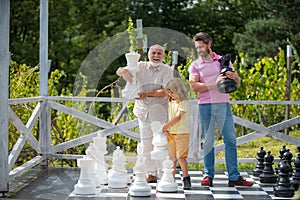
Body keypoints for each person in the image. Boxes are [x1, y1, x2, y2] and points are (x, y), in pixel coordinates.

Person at [188, 32, 253, 187]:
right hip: (205, 106)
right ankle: (208, 175)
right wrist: (215, 82)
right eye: (196, 47)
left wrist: (235, 77)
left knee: (230, 141)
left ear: (209, 44)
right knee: (208, 141)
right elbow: (194, 86)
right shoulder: (195, 65)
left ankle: (234, 177)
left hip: (223, 105)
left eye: (201, 46)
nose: (199, 50)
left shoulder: (223, 60)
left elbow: (237, 82)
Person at [116, 44, 175, 183]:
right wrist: (124, 72)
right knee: (146, 143)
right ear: (148, 54)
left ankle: (163, 173)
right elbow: (119, 70)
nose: (156, 56)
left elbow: (167, 90)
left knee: (160, 142)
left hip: (160, 111)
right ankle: (150, 173)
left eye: (159, 53)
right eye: (153, 53)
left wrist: (146, 94)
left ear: (163, 56)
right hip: (143, 111)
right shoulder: (140, 65)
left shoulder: (167, 70)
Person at [162, 78, 191, 190]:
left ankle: (186, 178)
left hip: (182, 133)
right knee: (172, 157)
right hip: (172, 133)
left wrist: (167, 125)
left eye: (172, 92)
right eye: (169, 92)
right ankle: (171, 178)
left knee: (180, 157)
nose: (170, 95)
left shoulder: (183, 103)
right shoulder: (171, 102)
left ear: (179, 91)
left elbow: (178, 117)